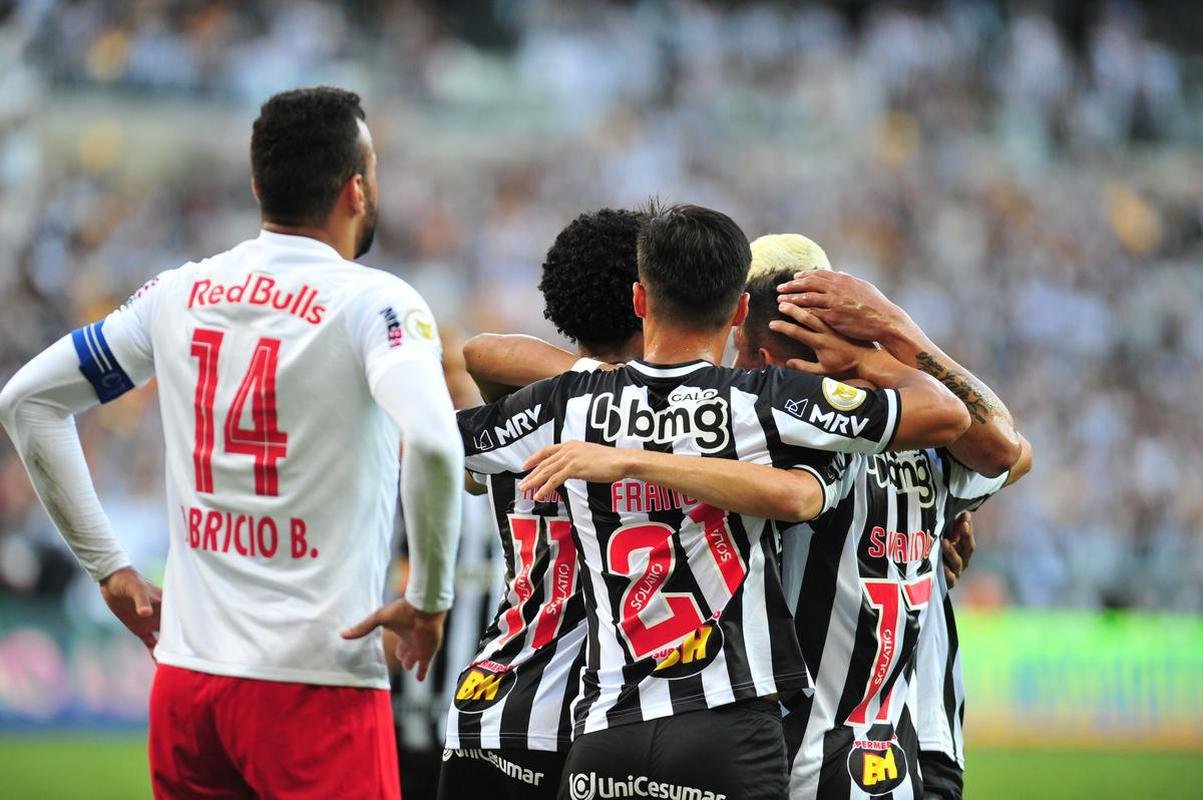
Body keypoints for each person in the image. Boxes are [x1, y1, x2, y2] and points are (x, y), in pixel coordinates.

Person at [0, 86, 463, 800]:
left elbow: (27, 402)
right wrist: (429, 600)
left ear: (257, 186)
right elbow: (433, 441)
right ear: (356, 191)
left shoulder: (178, 292)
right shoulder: (376, 301)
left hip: (188, 685)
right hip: (314, 685)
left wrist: (109, 569)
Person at [457, 202, 971, 800]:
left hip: (602, 734)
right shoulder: (761, 402)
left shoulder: (566, 406)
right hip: (725, 726)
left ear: (641, 298)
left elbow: (445, 419)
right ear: (739, 311)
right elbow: (946, 413)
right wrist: (873, 345)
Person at [759, 265, 1032, 799]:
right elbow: (1009, 450)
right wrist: (892, 339)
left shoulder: (785, 442)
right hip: (900, 746)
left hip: (834, 746)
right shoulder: (932, 446)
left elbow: (1009, 451)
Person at [439, 208, 645, 800]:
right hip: (573, 722)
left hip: (486, 702)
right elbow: (482, 349)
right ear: (647, 298)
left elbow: (484, 352)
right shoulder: (671, 421)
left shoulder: (531, 405)